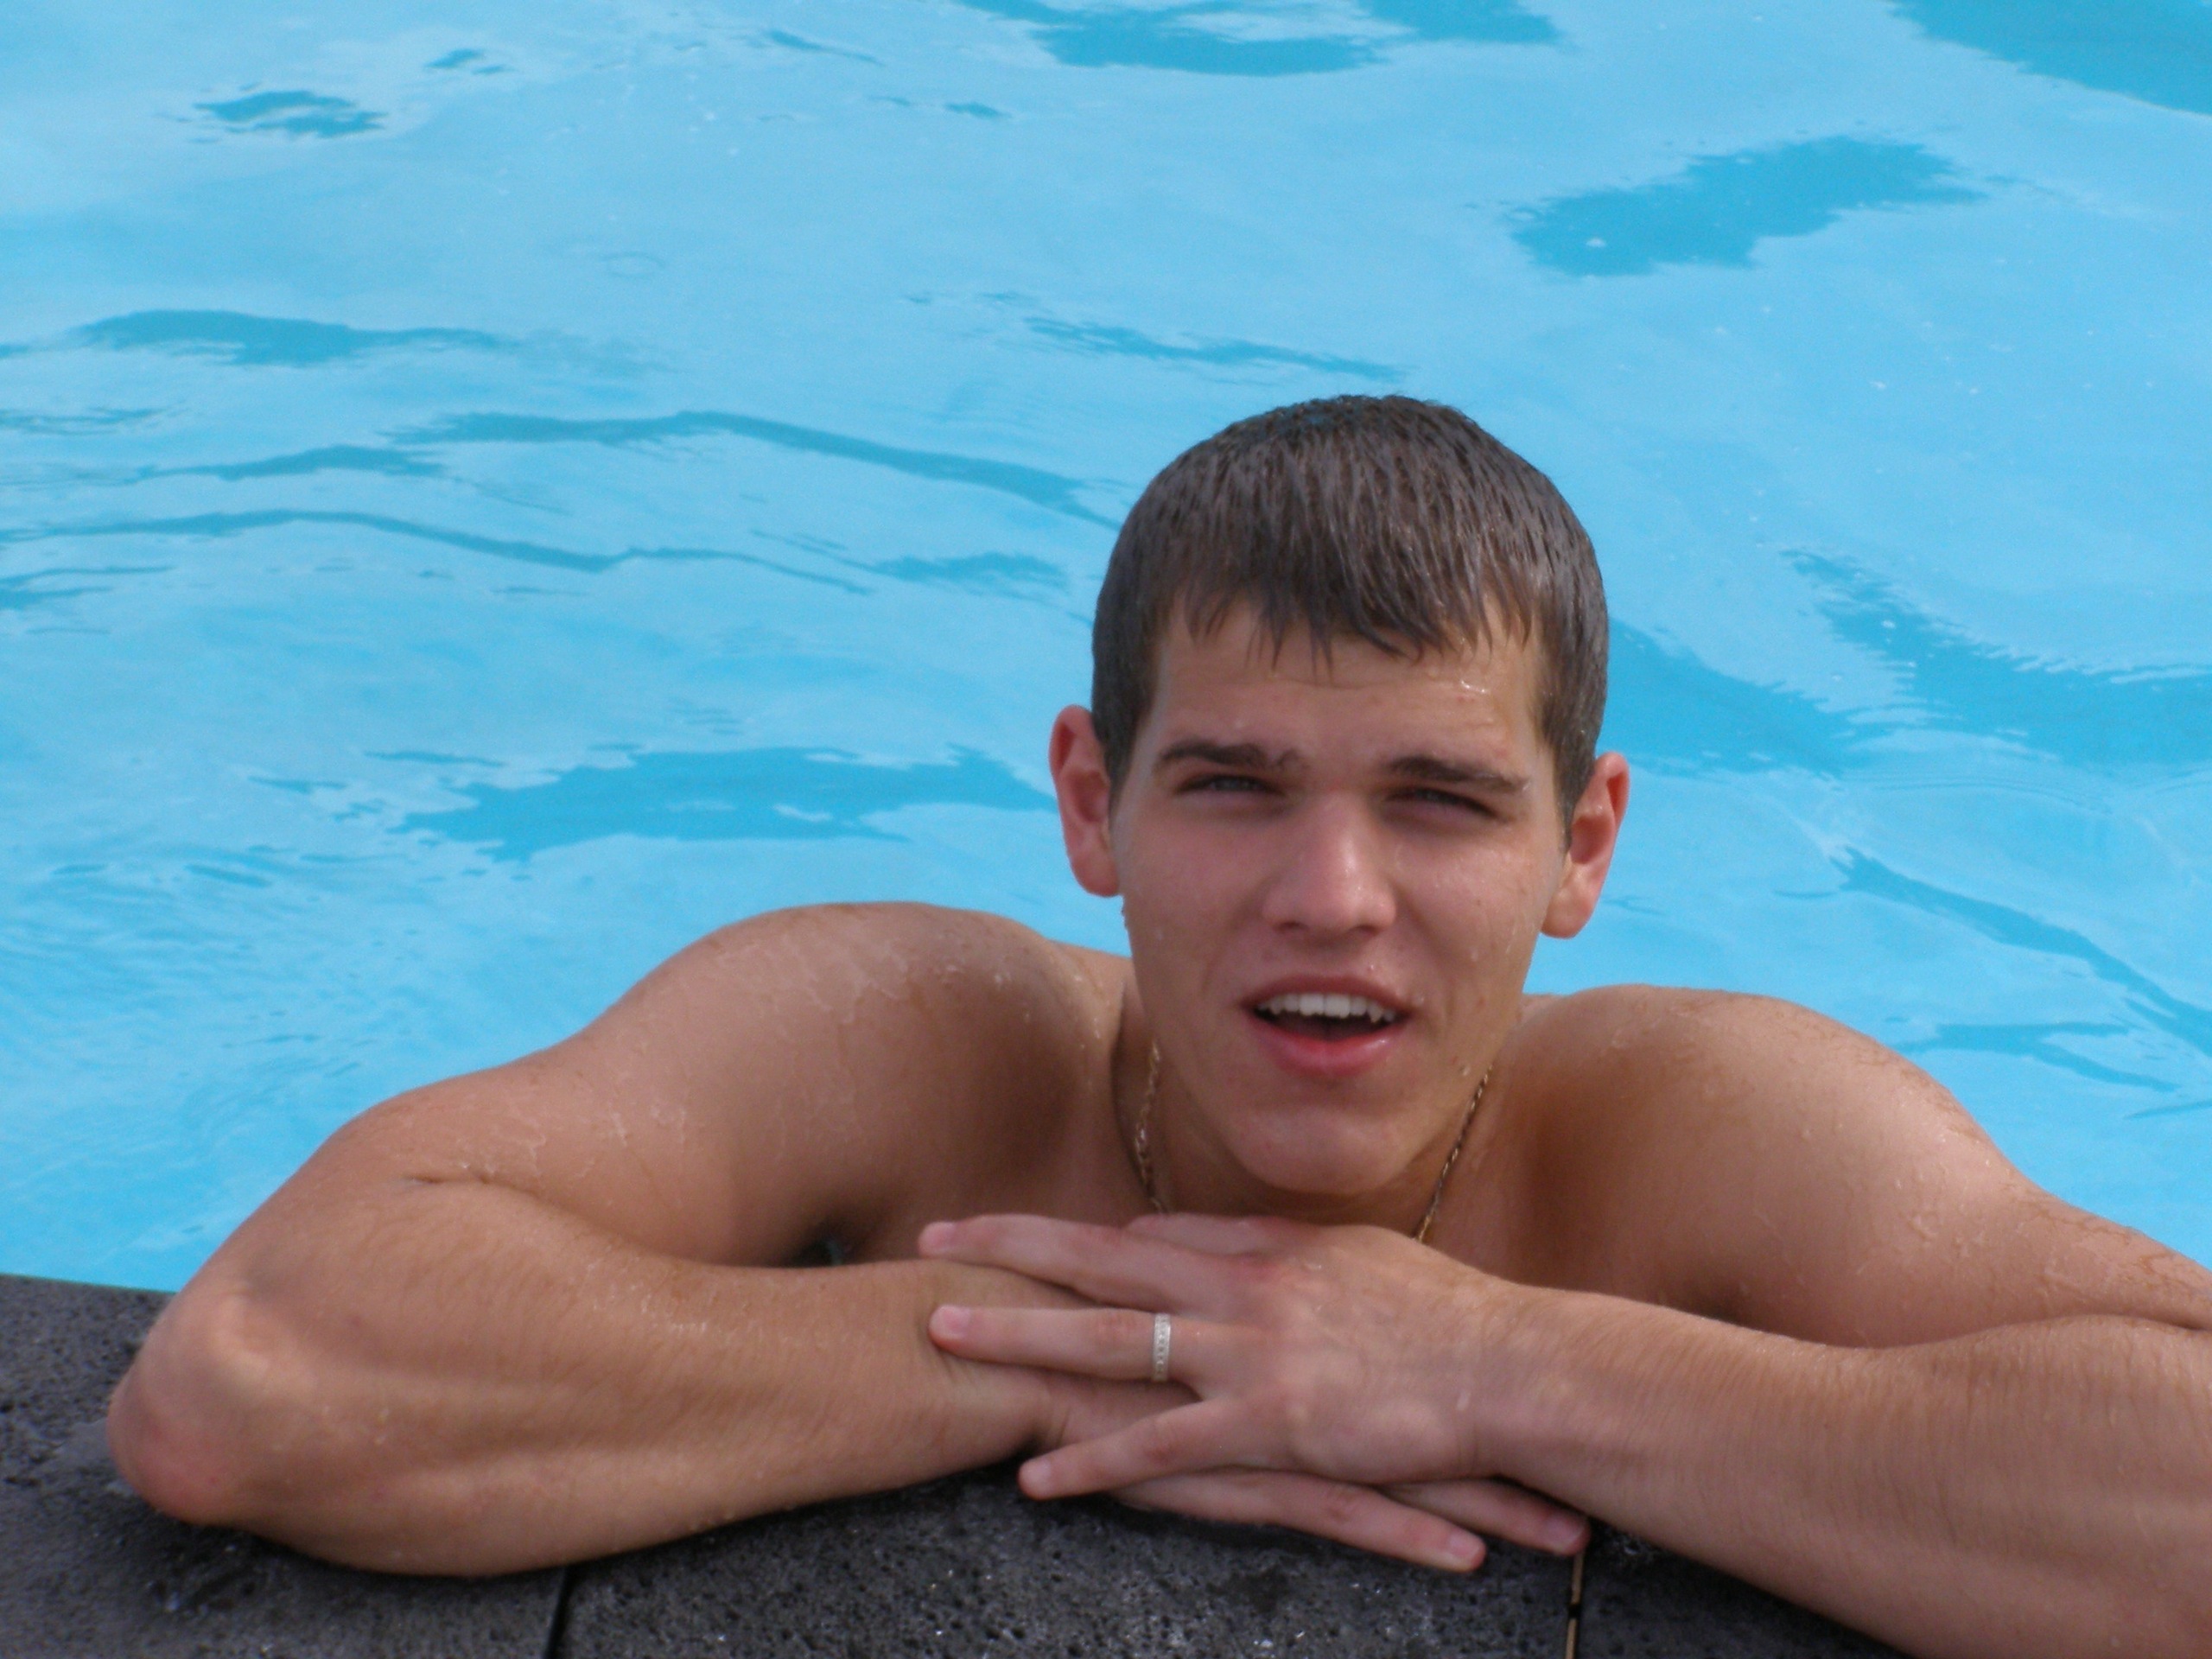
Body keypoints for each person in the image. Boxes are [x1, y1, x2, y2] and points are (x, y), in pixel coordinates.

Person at [106, 397, 2211, 1658]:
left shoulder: (1700, 1126)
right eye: (1231, 786)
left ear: (1579, 845)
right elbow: (255, 1373)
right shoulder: (905, 1034)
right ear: (1090, 804)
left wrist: (1493, 1361)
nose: (1331, 893)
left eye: (1436, 801)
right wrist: (1126, 1353)